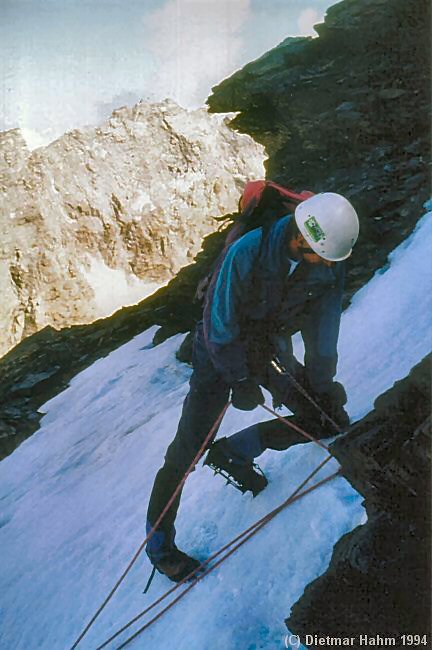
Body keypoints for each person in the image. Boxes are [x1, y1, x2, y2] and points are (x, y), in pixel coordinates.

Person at [146, 186, 360, 582]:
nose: (328, 268)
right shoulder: (247, 251)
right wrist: (240, 380)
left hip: (266, 345)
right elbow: (218, 325)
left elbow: (324, 326)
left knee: (328, 418)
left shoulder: (327, 256)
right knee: (187, 449)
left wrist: (320, 381)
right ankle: (159, 546)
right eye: (322, 258)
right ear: (300, 238)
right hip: (217, 352)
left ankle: (235, 452)